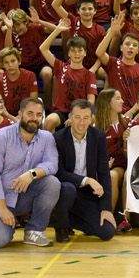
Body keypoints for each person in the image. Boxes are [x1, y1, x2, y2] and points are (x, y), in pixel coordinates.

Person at [0, 94, 62, 249]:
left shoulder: (47, 138)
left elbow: (52, 164)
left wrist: (32, 173)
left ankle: (34, 231)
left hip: (25, 196)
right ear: (20, 114)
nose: (34, 118)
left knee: (52, 183)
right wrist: (2, 209)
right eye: (30, 114)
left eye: (39, 115)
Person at [49, 98, 118, 244]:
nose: (81, 122)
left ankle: (64, 219)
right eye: (77, 117)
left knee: (107, 232)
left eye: (86, 118)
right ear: (70, 118)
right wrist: (86, 180)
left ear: (92, 119)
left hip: (87, 193)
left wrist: (106, 208)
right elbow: (58, 172)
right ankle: (61, 226)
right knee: (68, 189)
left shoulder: (98, 137)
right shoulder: (58, 138)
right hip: (66, 189)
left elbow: (104, 173)